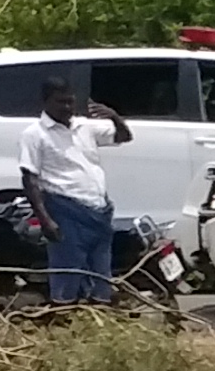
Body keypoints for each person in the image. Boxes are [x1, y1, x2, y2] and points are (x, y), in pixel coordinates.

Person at [23, 78, 135, 307]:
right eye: (60, 102)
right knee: (68, 272)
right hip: (65, 211)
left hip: (98, 211)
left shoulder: (85, 127)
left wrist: (113, 116)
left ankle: (96, 321)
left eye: (70, 102)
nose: (67, 107)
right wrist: (45, 220)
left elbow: (124, 137)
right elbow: (29, 179)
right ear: (45, 102)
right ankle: (65, 322)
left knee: (100, 274)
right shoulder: (34, 134)